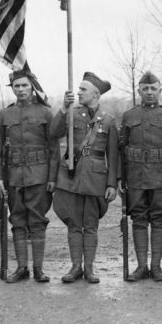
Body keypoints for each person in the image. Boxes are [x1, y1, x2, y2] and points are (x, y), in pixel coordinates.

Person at [51, 72, 118, 284]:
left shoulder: (108, 121)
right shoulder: (71, 113)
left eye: (83, 89)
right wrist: (63, 108)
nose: (78, 92)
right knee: (73, 224)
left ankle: (89, 268)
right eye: (78, 89)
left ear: (95, 94)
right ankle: (75, 267)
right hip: (71, 177)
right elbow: (54, 132)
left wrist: (111, 184)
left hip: (95, 180)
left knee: (90, 225)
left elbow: (113, 156)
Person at [0, 68, 56, 283]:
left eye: (24, 86)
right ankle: (22, 268)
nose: (21, 90)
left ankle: (38, 269)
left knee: (37, 222)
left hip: (39, 175)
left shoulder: (45, 113)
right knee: (17, 221)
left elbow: (55, 149)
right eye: (17, 86)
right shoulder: (4, 115)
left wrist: (52, 178)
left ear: (32, 87)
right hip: (13, 176)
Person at [118, 72, 162, 282]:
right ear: (139, 91)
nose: (149, 92)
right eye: (145, 89)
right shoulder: (129, 116)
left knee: (159, 219)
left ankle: (156, 266)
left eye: (153, 88)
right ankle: (141, 266)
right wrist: (121, 178)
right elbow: (122, 149)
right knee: (138, 219)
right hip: (135, 177)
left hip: (161, 178)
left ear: (159, 91)